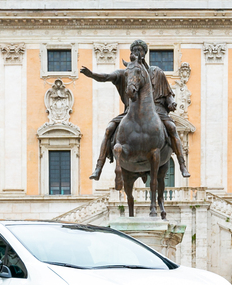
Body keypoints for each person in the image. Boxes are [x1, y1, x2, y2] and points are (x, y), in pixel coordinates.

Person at [81, 40, 190, 180]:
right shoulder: (127, 73)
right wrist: (92, 75)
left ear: (145, 53)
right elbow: (107, 77)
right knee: (109, 130)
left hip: (158, 111)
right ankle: (98, 167)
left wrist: (172, 103)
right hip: (130, 113)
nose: (138, 52)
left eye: (140, 50)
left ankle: (182, 165)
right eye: (134, 50)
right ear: (131, 53)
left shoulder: (157, 72)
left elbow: (168, 95)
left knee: (172, 128)